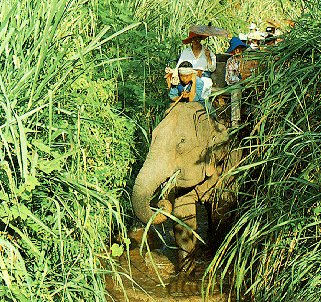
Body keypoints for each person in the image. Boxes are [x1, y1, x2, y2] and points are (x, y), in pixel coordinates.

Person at [176, 31, 216, 99]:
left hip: (204, 76)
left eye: (197, 39)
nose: (195, 41)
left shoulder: (207, 51)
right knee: (183, 89)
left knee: (205, 86)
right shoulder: (186, 52)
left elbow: (212, 69)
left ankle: (201, 104)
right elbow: (178, 66)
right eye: (193, 39)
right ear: (191, 40)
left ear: (200, 39)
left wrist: (208, 57)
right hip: (188, 77)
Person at [225, 37, 249, 127]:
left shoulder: (248, 59)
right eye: (236, 48)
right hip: (237, 84)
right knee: (235, 91)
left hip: (249, 83)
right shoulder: (230, 61)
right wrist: (241, 79)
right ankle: (235, 121)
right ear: (233, 50)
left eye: (239, 48)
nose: (238, 50)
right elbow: (229, 79)